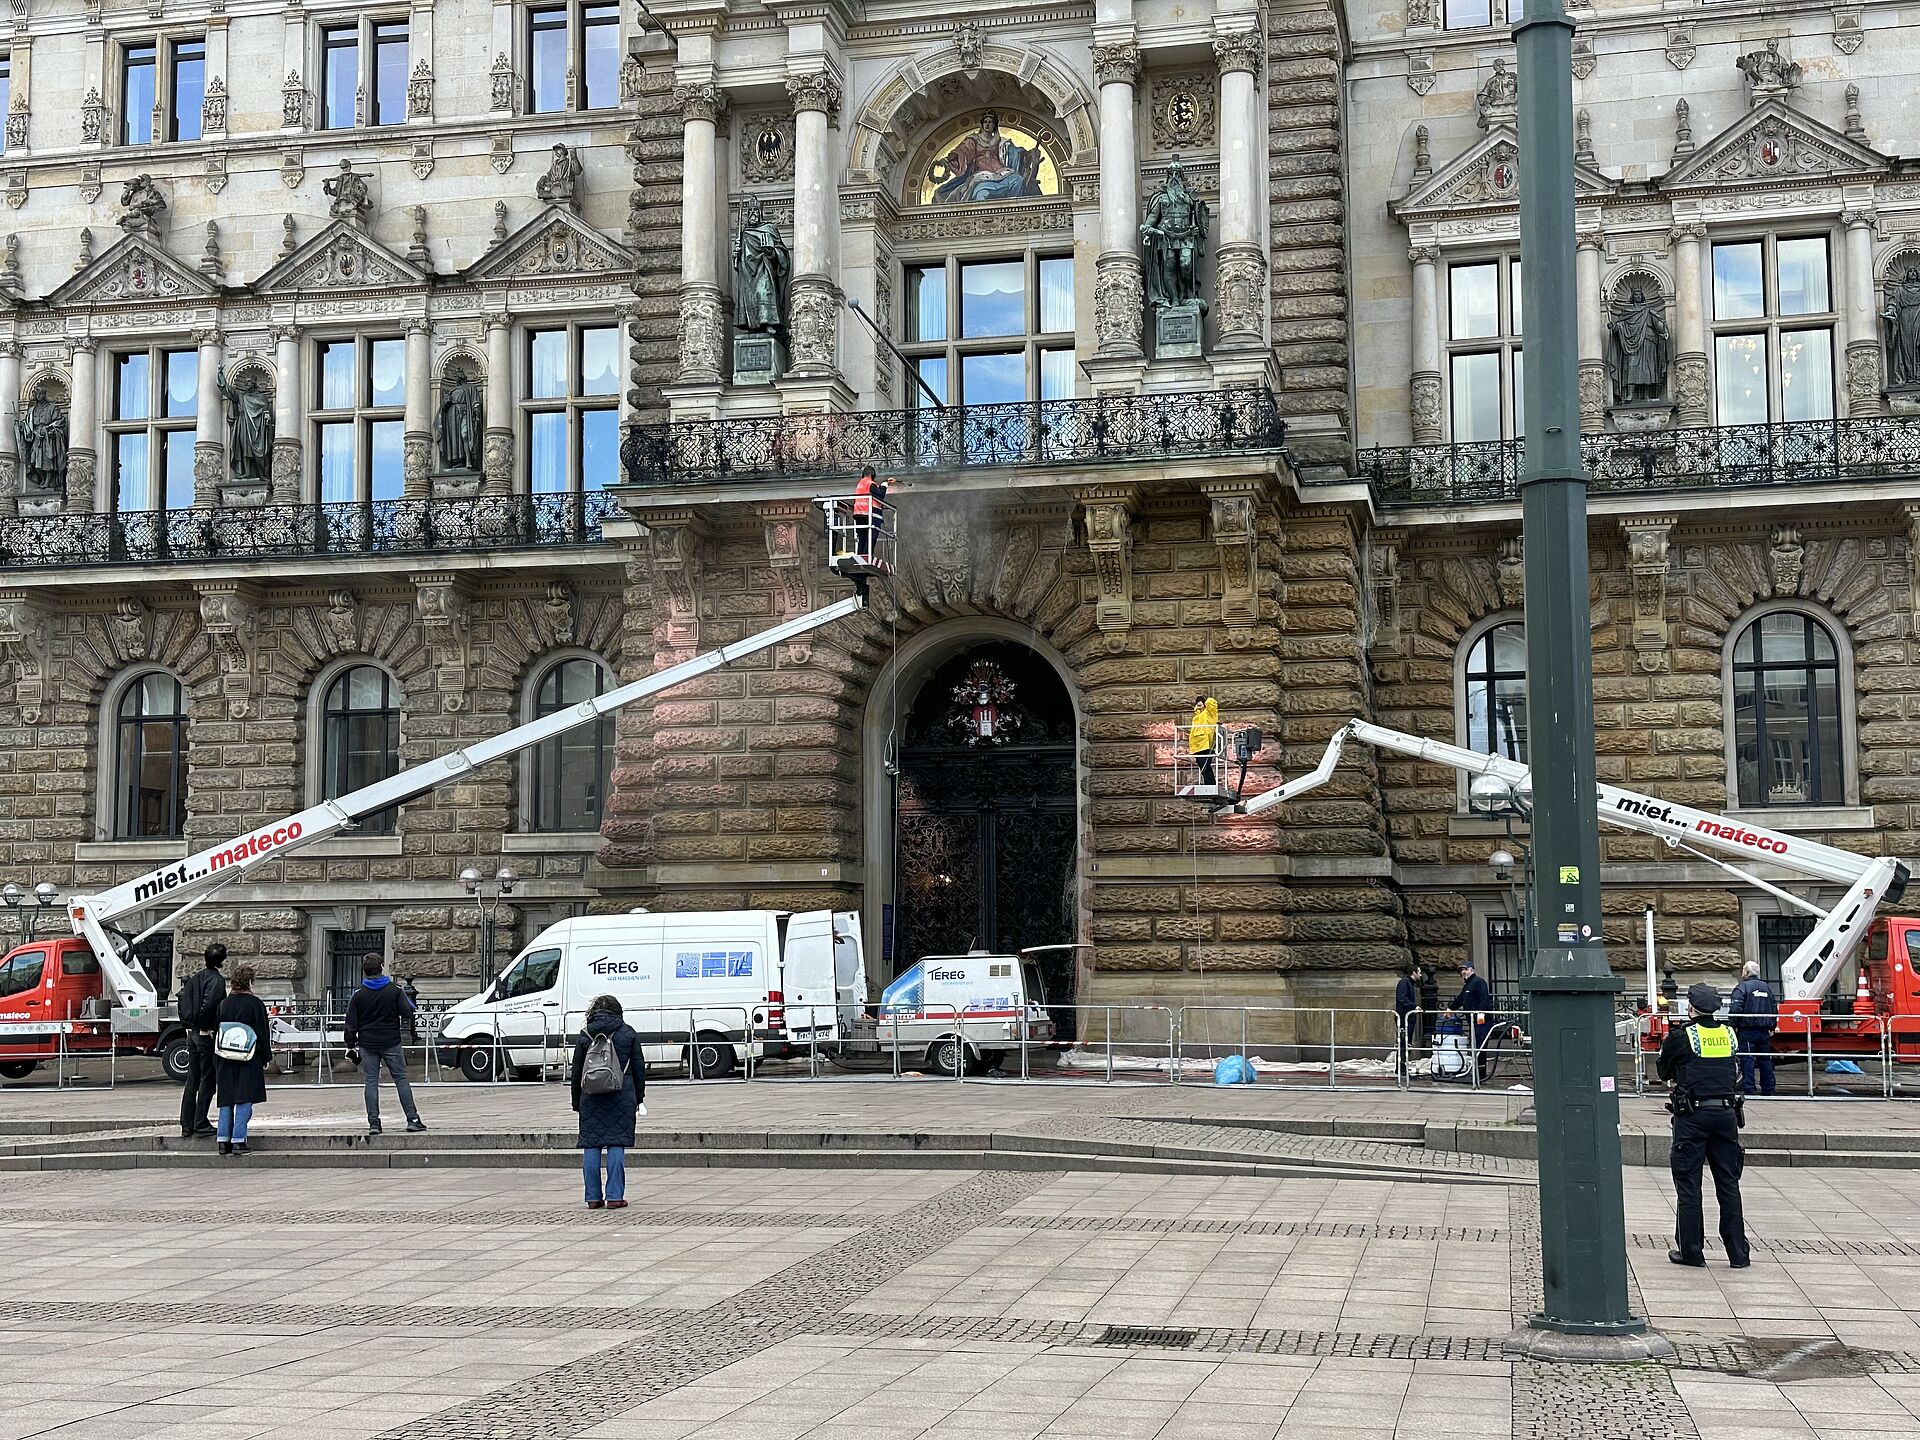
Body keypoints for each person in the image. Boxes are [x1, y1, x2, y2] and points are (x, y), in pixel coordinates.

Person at [1657, 983, 1751, 1269]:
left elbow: (1663, 1071)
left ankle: (1691, 1251)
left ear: (1691, 1008)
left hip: (1692, 1117)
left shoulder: (1681, 1036)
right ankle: (1738, 1254)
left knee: (1689, 1184)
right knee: (1728, 1184)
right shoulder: (1728, 1034)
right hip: (1726, 1116)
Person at [570, 993, 645, 1210]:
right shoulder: (627, 1033)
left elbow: (576, 1072)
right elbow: (639, 1069)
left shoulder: (585, 1035)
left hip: (590, 1096)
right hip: (621, 1096)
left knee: (591, 1145)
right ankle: (614, 1196)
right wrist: (638, 1098)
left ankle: (593, 1197)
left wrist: (577, 1101)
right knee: (616, 1143)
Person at [343, 954, 427, 1136]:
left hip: (367, 1043)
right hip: (391, 1042)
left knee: (371, 1082)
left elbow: (350, 1022)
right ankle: (412, 1119)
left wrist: (350, 1043)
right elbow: (407, 1013)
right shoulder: (394, 990)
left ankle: (374, 1123)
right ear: (381, 966)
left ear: (364, 970)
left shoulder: (358, 994)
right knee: (401, 1079)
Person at [212, 964, 271, 1156]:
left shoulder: (224, 1004)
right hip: (248, 1056)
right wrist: (266, 1056)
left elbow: (217, 1029)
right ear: (250, 982)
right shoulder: (255, 1004)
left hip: (225, 1057)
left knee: (226, 1098)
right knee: (245, 1098)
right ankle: (238, 1140)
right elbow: (262, 1032)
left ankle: (223, 1140)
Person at [177, 943, 228, 1139]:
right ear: (222, 961)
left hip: (192, 1032)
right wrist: (206, 1027)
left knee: (192, 1080)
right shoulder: (216, 980)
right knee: (208, 1080)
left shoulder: (196, 978)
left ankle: (187, 1123)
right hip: (205, 1033)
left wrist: (191, 1024)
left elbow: (184, 999)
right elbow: (209, 1006)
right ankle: (200, 1122)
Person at [1728, 960, 1778, 1098]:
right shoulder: (1766, 988)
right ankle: (1768, 1088)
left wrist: (1731, 1026)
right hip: (1764, 1030)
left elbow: (1736, 1009)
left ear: (1747, 972)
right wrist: (1772, 1025)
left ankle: (1749, 1088)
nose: (1742, 972)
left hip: (1747, 1030)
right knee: (1765, 1060)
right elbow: (1774, 1008)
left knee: (1747, 1059)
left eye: (1743, 969)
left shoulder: (1742, 988)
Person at [1449, 961, 1495, 1081]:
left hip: (1481, 1021)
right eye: (1462, 970)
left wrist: (1480, 1017)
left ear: (1472, 970)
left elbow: (1484, 1000)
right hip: (1473, 1022)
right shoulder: (1467, 986)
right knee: (1475, 1045)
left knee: (1480, 1046)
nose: (1463, 972)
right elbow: (1460, 999)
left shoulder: (1479, 982)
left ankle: (1481, 1074)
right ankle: (1477, 1073)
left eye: (1466, 969)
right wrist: (1450, 1008)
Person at [849, 467, 888, 562]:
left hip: (859, 514)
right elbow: (880, 495)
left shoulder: (860, 484)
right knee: (871, 537)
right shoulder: (870, 484)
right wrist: (884, 486)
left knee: (862, 538)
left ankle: (860, 557)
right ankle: (867, 557)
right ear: (872, 475)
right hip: (869, 514)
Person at [1395, 963, 1425, 1080]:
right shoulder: (1404, 982)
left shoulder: (1409, 983)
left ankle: (1402, 1068)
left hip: (1408, 1017)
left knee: (1405, 1043)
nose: (1421, 975)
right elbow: (1402, 998)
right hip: (1404, 1018)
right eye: (1419, 972)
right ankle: (1401, 1069)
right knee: (1403, 1042)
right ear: (1414, 973)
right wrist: (1413, 1006)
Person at [1188, 695, 1220, 787]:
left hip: (1205, 744)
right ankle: (1209, 785)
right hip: (1197, 745)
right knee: (1203, 767)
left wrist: (1205, 700)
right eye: (1197, 702)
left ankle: (1210, 785)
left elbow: (1212, 704)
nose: (1199, 704)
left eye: (1201, 702)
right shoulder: (1196, 717)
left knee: (1205, 767)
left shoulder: (1209, 713)